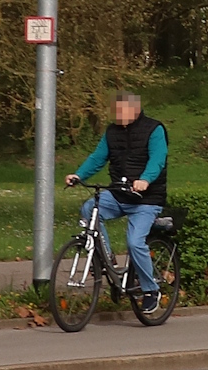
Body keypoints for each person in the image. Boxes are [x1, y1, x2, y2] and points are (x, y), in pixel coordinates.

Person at [65, 90, 169, 305]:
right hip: (119, 194)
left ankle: (150, 290)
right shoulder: (112, 132)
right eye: (116, 111)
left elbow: (157, 159)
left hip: (146, 199)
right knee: (89, 209)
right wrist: (79, 175)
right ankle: (107, 258)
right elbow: (98, 158)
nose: (117, 115)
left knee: (134, 242)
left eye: (121, 111)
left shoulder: (154, 129)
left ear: (135, 109)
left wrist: (145, 179)